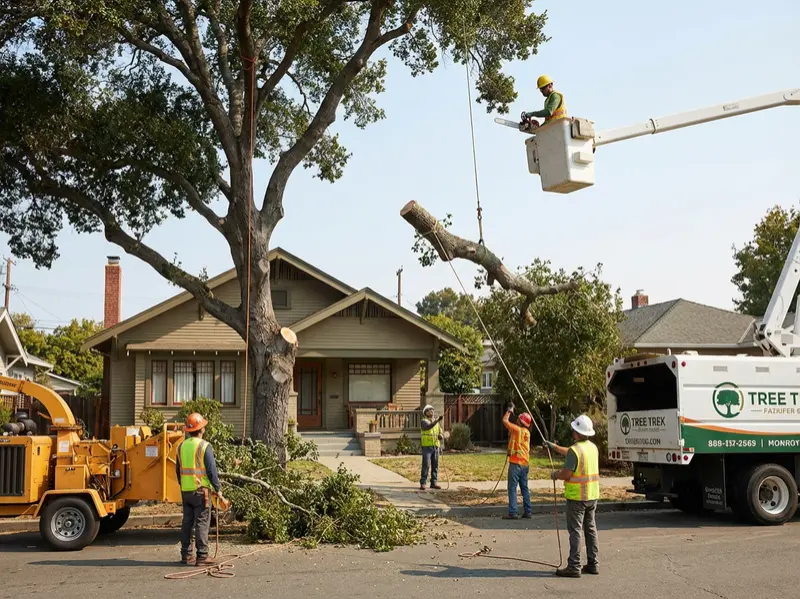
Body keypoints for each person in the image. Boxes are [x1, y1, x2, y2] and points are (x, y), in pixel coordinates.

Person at [546, 414, 600, 578]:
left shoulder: (575, 451)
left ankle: (574, 566)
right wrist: (553, 446)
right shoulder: (592, 447)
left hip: (577, 498)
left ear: (577, 432)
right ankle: (593, 564)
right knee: (590, 529)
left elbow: (566, 473)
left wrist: (555, 474)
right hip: (592, 495)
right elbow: (570, 452)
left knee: (575, 530)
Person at [176, 412, 223, 567]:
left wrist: (183, 485)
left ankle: (186, 555)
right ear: (201, 429)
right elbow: (211, 470)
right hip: (201, 491)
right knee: (202, 522)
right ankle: (202, 556)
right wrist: (218, 488)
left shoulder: (181, 446)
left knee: (187, 522)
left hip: (186, 490)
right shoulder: (204, 446)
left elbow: (178, 470)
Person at [502, 404, 533, 519]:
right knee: (524, 488)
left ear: (521, 421)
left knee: (512, 488)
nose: (517, 420)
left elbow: (505, 421)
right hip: (525, 464)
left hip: (515, 464)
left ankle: (513, 512)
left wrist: (509, 410)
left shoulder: (517, 430)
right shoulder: (527, 433)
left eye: (519, 419)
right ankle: (528, 511)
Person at [419, 404, 443, 490]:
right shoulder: (424, 421)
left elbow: (440, 430)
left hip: (435, 446)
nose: (432, 411)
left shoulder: (436, 422)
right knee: (426, 464)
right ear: (426, 412)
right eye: (429, 410)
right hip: (427, 446)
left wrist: (441, 435)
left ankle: (434, 482)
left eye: (432, 409)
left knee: (435, 465)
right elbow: (428, 427)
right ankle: (423, 482)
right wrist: (437, 420)